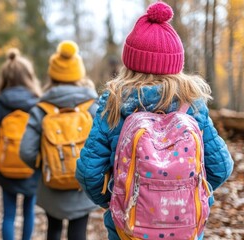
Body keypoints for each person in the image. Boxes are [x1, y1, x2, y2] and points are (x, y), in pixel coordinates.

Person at [76, 2, 234, 240]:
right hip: (185, 227)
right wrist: (188, 193)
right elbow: (221, 166)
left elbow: (89, 172)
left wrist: (117, 198)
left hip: (127, 227)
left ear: (129, 62)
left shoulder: (114, 102)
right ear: (176, 63)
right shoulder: (192, 103)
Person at [20, 40, 98, 240]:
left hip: (51, 186)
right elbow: (102, 146)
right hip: (83, 186)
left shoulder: (41, 109)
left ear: (52, 75)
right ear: (79, 74)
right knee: (78, 232)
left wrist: (46, 164)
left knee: (53, 229)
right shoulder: (92, 107)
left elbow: (26, 151)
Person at [0, 48, 42, 240]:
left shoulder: (0, 105)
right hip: (31, 167)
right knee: (28, 212)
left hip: (6, 168)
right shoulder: (37, 104)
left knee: (8, 215)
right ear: (29, 77)